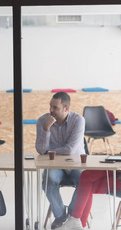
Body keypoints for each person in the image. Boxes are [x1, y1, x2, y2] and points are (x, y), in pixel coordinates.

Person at [35, 91, 86, 229]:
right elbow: (40, 150)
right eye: (50, 106)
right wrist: (46, 129)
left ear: (66, 108)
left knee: (85, 180)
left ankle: (73, 216)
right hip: (55, 164)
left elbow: (70, 150)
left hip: (74, 163)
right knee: (48, 180)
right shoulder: (42, 121)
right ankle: (61, 216)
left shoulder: (78, 120)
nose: (51, 111)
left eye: (55, 108)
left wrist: (49, 151)